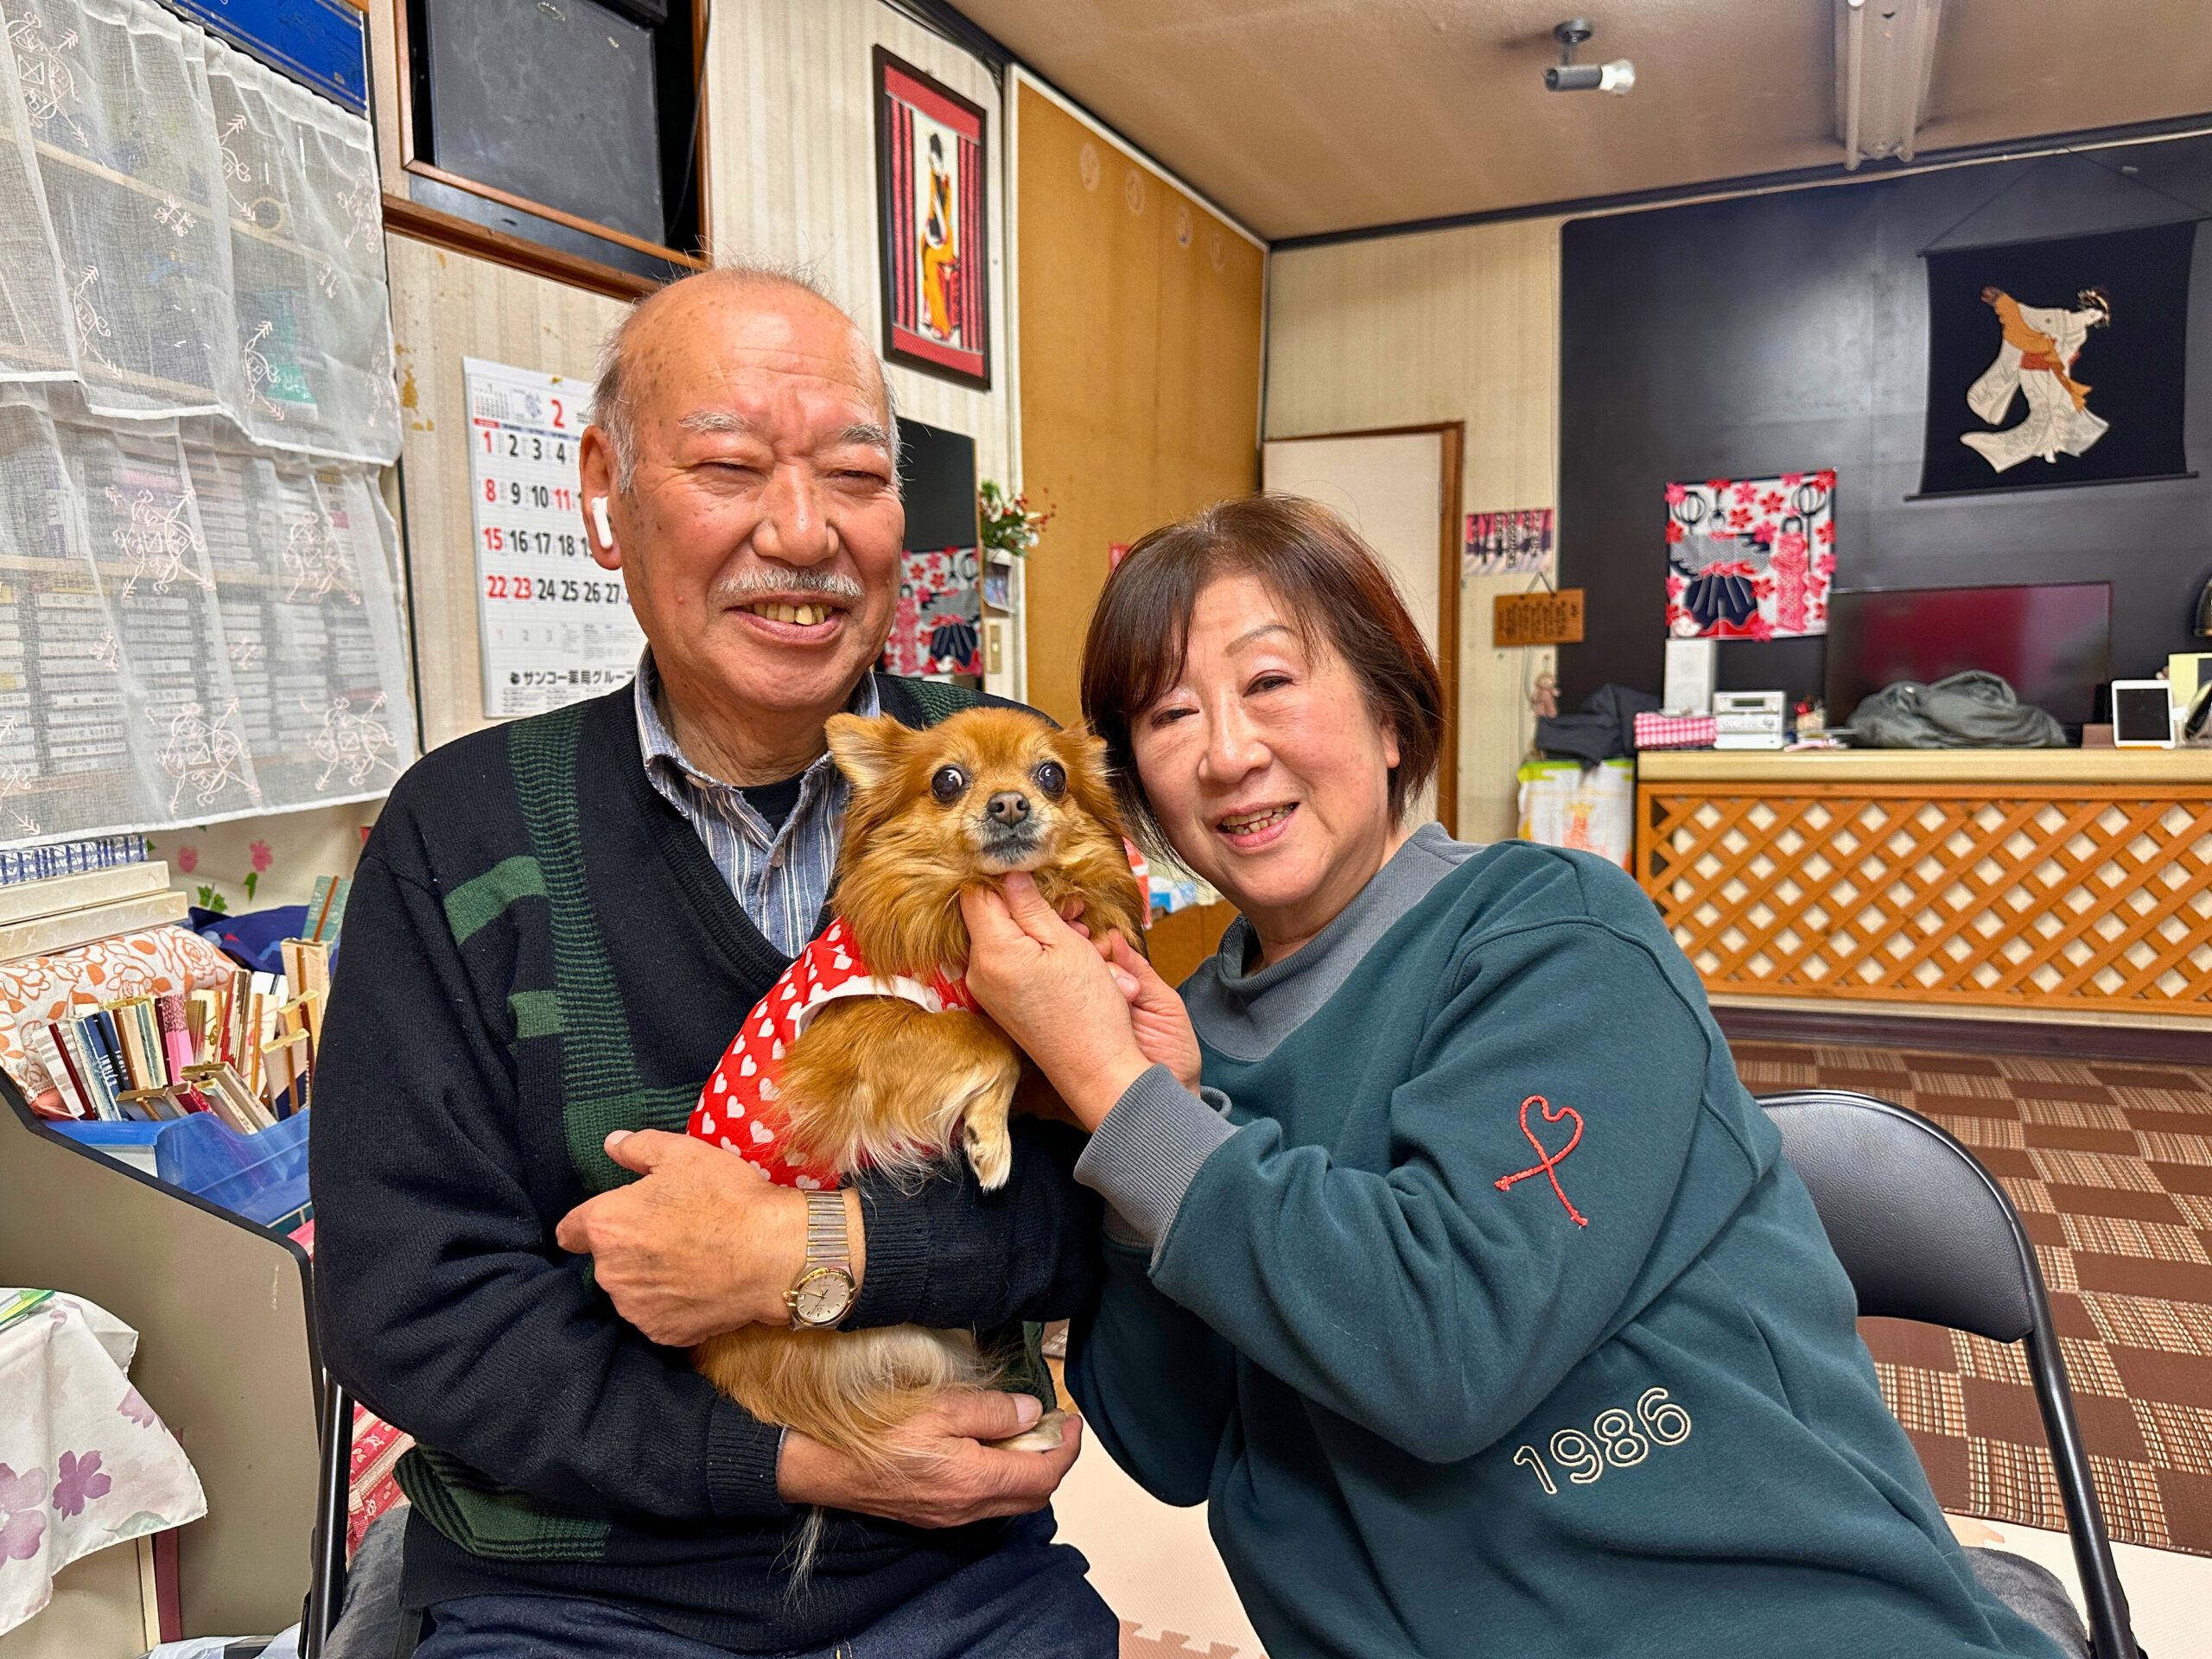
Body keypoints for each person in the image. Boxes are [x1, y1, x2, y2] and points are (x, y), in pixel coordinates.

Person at [952, 493, 2087, 1659]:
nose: (1229, 752)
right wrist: (1164, 1118)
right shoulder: (1170, 1038)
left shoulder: (1560, 939)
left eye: (1273, 683)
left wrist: (1128, 1106)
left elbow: (1444, 1353)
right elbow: (1165, 1442)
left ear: (1392, 717)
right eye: (1169, 714)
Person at [311, 264, 1116, 1658]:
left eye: (854, 475)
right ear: (605, 494)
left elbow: (1101, 1195)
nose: (800, 533)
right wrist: (800, 1461)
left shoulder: (1007, 789)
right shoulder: (463, 832)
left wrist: (813, 1249)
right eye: (731, 466)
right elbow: (408, 1300)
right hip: (571, 1589)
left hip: (945, 1574)